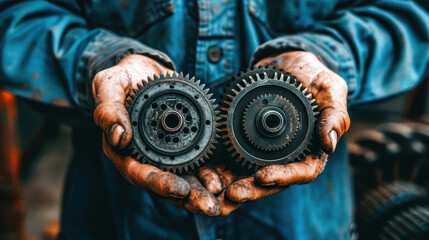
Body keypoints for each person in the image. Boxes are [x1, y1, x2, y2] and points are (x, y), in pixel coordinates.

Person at [0, 0, 428, 239]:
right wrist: (96, 62)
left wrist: (330, 57)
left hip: (299, 221)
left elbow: (408, 14)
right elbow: (15, 17)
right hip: (116, 218)